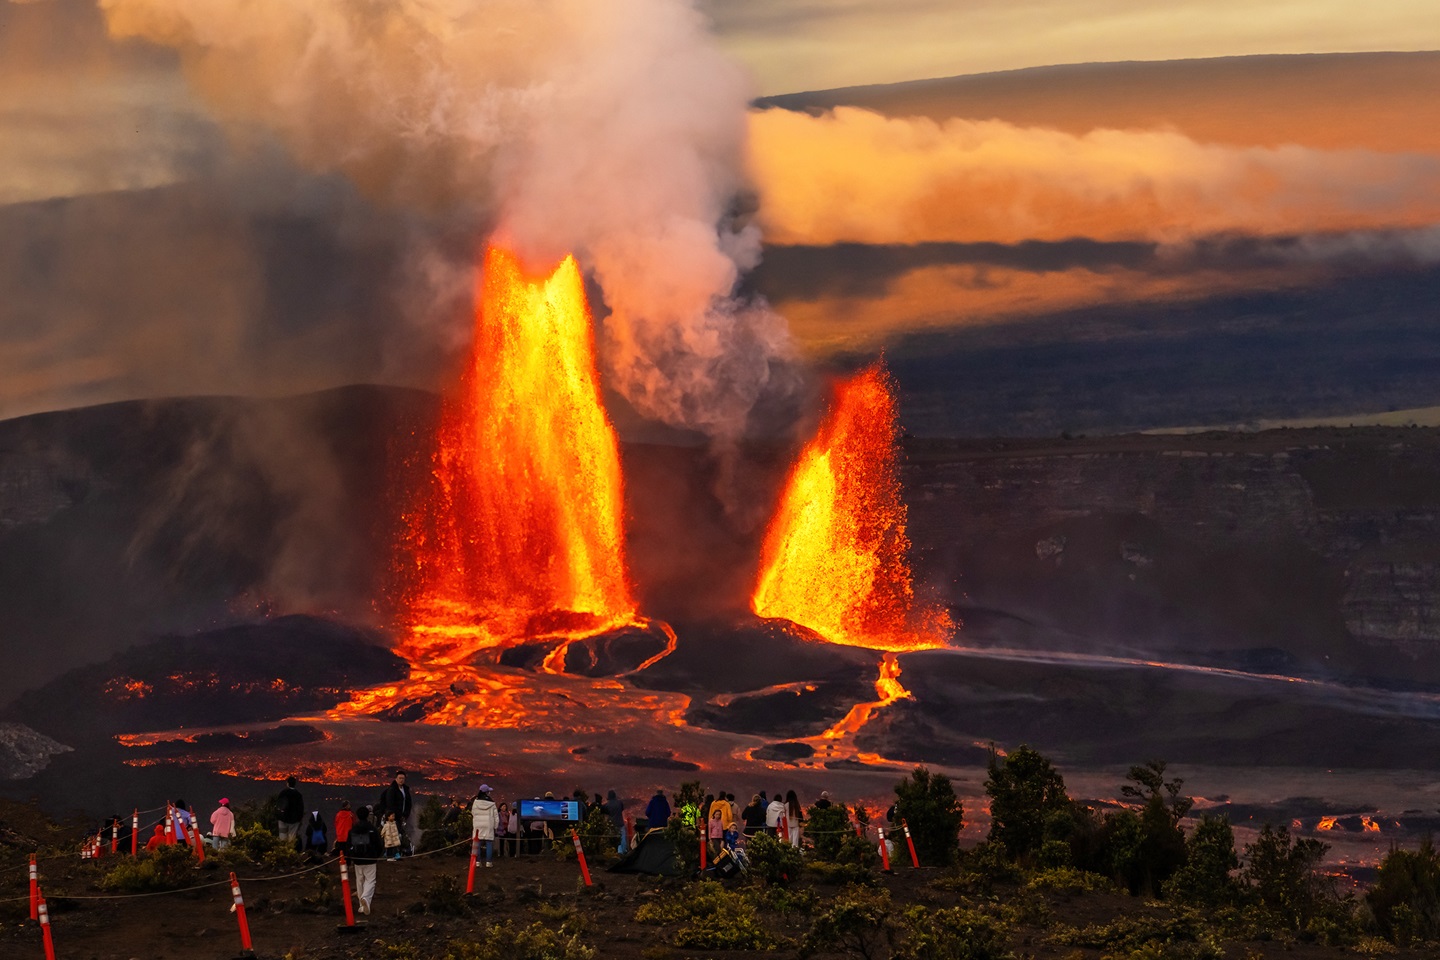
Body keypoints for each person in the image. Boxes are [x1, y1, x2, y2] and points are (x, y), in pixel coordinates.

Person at [346, 807, 381, 916]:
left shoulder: (353, 829)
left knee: (359, 880)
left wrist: (350, 858)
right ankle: (365, 898)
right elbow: (378, 843)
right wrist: (377, 855)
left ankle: (362, 905)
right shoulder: (372, 828)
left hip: (357, 859)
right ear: (367, 815)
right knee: (370, 880)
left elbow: (348, 844)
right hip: (370, 858)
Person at [376, 771, 415, 852]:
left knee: (401, 833)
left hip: (403, 816)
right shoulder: (392, 790)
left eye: (403, 778)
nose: (401, 780)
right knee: (393, 834)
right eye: (400, 778)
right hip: (394, 817)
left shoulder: (405, 790)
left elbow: (408, 803)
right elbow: (391, 804)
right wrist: (396, 815)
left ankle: (401, 850)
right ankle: (392, 852)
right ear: (396, 779)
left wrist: (406, 815)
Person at [471, 784, 499, 867]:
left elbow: (473, 813)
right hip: (488, 824)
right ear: (487, 792)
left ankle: (478, 862)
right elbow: (496, 816)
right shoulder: (492, 803)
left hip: (478, 825)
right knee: (489, 843)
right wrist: (495, 826)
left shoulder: (475, 802)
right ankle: (488, 862)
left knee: (477, 843)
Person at [276, 776, 304, 844]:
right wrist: (299, 818)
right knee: (292, 837)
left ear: (287, 783)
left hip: (283, 819)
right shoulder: (298, 795)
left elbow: (279, 805)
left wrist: (279, 815)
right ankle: (290, 850)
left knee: (282, 836)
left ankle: (282, 851)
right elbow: (301, 808)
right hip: (294, 820)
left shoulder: (283, 793)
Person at [602, 790, 627, 855]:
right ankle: (623, 851)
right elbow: (622, 809)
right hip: (620, 823)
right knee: (622, 838)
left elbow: (605, 812)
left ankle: (616, 852)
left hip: (612, 825)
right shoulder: (620, 803)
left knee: (613, 838)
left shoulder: (606, 805)